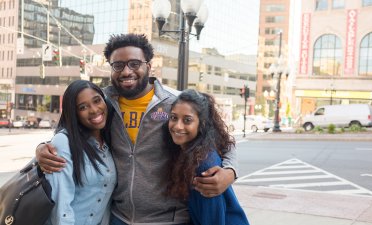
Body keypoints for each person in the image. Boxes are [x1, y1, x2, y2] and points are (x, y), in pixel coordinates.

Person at [36, 33, 237, 225]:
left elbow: (220, 139)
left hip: (169, 220)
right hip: (118, 218)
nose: (126, 71)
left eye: (134, 64)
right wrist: (43, 147)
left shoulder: (175, 103)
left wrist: (230, 171)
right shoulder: (103, 105)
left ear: (148, 66)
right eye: (118, 65)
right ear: (111, 69)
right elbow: (71, 133)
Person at [165, 89, 250, 225]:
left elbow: (212, 220)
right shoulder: (188, 152)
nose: (178, 126)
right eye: (174, 118)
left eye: (187, 120)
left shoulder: (204, 167)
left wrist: (231, 171)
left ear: (202, 124)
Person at [44, 80, 116, 225]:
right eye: (83, 107)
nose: (94, 110)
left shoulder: (109, 139)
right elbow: (61, 205)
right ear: (74, 113)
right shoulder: (64, 142)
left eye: (97, 101)